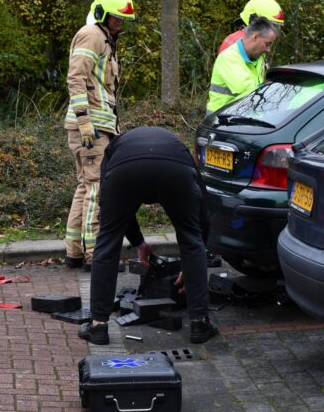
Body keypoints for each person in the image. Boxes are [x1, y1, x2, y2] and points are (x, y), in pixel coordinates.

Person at [77, 126, 218, 345]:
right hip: (175, 170)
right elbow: (201, 218)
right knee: (192, 240)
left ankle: (98, 327)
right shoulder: (178, 147)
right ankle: (200, 323)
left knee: (107, 243)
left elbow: (113, 214)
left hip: (125, 171)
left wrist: (138, 242)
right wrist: (191, 263)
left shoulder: (114, 149)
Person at [63, 0, 136, 270]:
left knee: (85, 187)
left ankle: (74, 252)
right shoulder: (92, 35)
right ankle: (97, 257)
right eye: (116, 18)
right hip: (90, 128)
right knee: (96, 188)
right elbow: (76, 79)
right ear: (101, 13)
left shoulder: (102, 38)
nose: (120, 24)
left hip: (94, 126)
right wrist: (84, 122)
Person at [206, 16, 278, 115]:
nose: (268, 50)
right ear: (255, 37)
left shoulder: (258, 57)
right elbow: (249, 92)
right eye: (267, 44)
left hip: (239, 115)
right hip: (219, 120)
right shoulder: (229, 57)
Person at [217, 0, 284, 54]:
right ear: (253, 20)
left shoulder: (234, 38)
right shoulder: (247, 45)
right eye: (269, 26)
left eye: (275, 27)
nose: (272, 32)